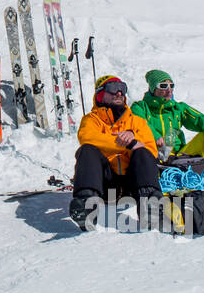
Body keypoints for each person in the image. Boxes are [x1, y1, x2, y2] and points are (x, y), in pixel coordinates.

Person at [69, 75, 161, 228]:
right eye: (113, 88)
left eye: (122, 88)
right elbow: (87, 137)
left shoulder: (137, 121)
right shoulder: (91, 120)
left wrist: (134, 137)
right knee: (87, 150)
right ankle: (86, 205)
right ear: (100, 94)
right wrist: (127, 144)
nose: (119, 93)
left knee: (143, 152)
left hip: (133, 185)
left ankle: (150, 206)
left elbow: (151, 149)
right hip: (105, 184)